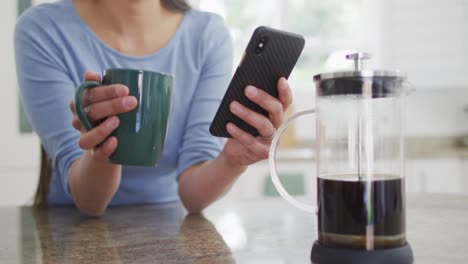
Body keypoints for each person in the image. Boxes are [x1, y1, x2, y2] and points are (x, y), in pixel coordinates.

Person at [15, 0, 292, 216]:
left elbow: (193, 195)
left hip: (169, 225)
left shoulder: (208, 35)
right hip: (70, 228)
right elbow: (89, 202)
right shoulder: (42, 30)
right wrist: (103, 150)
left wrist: (233, 160)